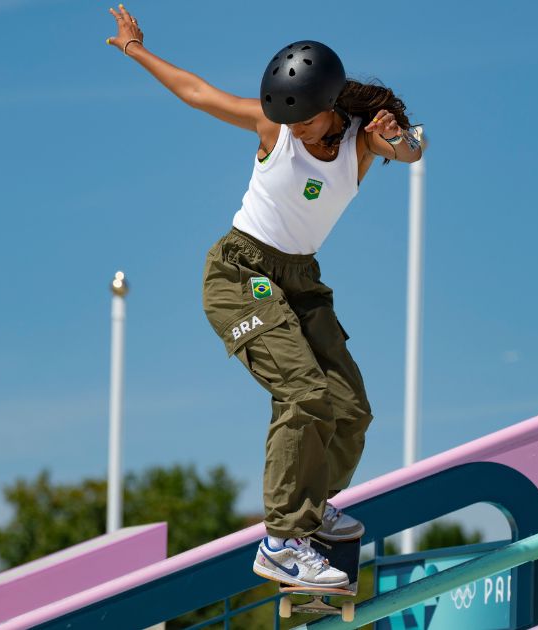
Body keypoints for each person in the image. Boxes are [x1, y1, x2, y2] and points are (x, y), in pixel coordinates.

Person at [106, 4, 424, 588]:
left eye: (304, 121)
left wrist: (398, 139)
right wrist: (135, 49)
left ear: (330, 108)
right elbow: (198, 93)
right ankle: (281, 540)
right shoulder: (271, 127)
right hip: (240, 276)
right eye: (287, 120)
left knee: (351, 409)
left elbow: (411, 153)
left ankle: (310, 509)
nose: (293, 131)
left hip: (301, 281)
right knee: (304, 393)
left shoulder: (360, 141)